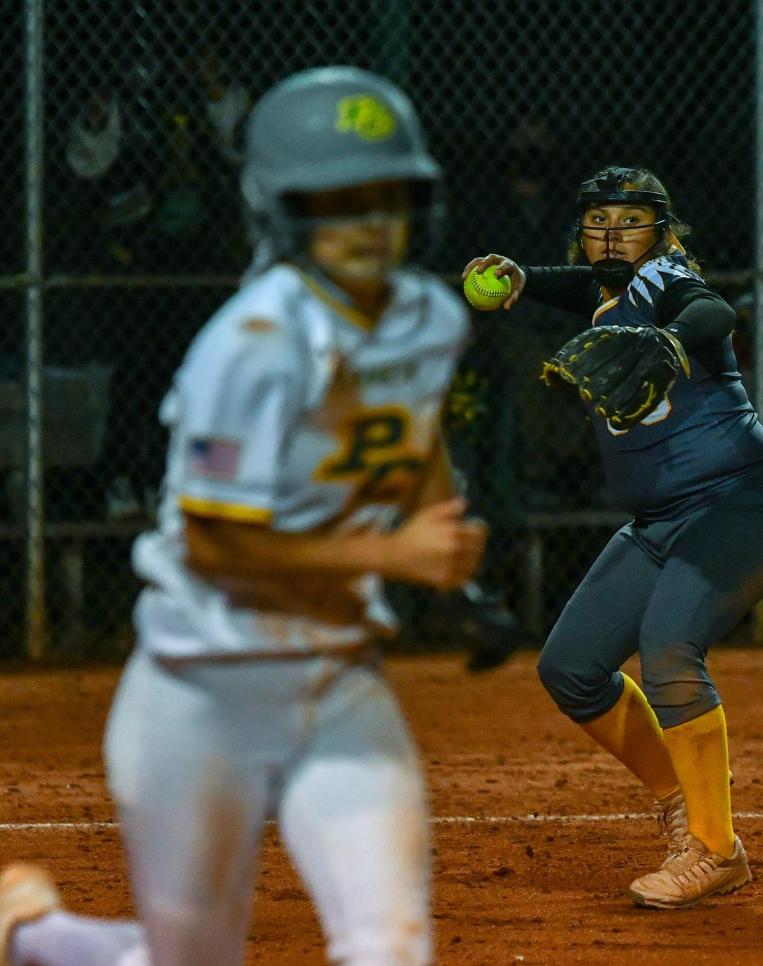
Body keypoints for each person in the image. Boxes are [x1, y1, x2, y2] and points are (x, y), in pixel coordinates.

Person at [0, 66, 488, 966]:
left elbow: (414, 433)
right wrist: (397, 552)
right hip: (201, 689)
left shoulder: (428, 315)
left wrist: (442, 529)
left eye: (388, 198)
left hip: (337, 679)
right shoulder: (251, 343)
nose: (370, 223)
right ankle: (41, 937)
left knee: (391, 945)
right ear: (280, 209)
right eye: (337, 202)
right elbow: (217, 544)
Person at [463, 166, 763, 908]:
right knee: (571, 669)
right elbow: (578, 284)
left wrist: (675, 342)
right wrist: (523, 277)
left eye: (630, 220)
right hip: (659, 525)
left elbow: (713, 311)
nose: (613, 234)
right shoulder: (609, 288)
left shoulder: (670, 283)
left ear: (663, 231)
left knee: (670, 649)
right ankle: (683, 804)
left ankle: (717, 852)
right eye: (599, 221)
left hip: (742, 507)